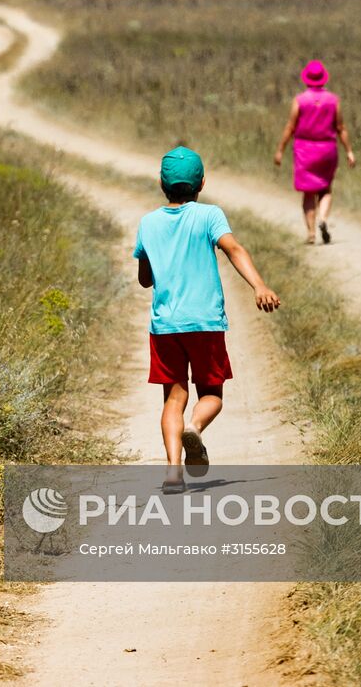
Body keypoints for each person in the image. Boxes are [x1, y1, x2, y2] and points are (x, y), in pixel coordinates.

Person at [134, 146, 281, 493]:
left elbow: (145, 279)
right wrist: (259, 284)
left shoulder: (148, 223)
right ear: (201, 183)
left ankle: (172, 474)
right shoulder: (209, 215)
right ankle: (196, 427)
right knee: (212, 393)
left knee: (174, 397)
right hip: (205, 323)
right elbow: (234, 249)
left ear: (161, 183)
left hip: (166, 326)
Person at [273, 59, 355, 244]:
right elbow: (341, 128)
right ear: (324, 79)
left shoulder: (300, 100)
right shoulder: (333, 100)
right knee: (325, 188)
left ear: (306, 79)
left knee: (308, 192)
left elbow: (290, 127)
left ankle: (311, 233)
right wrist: (349, 151)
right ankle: (323, 219)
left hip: (304, 150)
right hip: (327, 149)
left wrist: (280, 150)